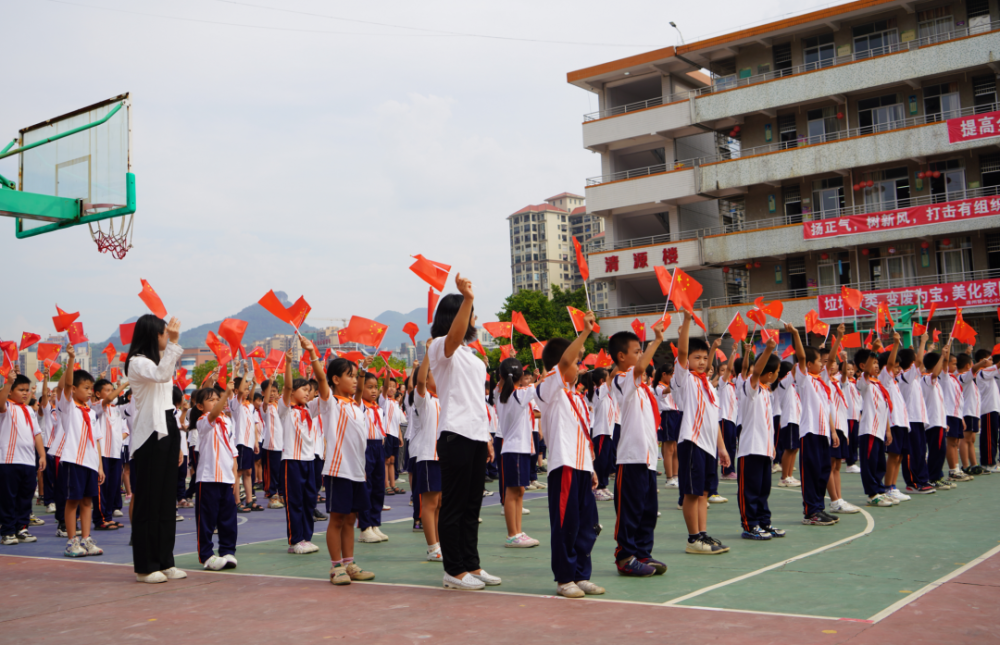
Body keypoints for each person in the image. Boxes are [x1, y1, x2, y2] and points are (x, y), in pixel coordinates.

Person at [427, 273, 499, 591]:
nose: (476, 319)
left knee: (473, 505)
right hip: (454, 434)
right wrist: (467, 298)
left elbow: (476, 400)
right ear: (457, 315)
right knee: (455, 504)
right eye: (471, 314)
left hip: (474, 434)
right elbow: (454, 338)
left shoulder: (470, 355)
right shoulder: (442, 347)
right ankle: (453, 570)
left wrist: (486, 437)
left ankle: (471, 563)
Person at [538, 311, 605, 598]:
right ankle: (564, 578)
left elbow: (582, 435)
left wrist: (591, 468)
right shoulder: (549, 390)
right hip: (563, 466)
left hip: (580, 466)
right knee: (565, 523)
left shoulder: (577, 397)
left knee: (586, 524)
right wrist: (585, 332)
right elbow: (565, 361)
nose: (578, 366)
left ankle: (581, 575)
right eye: (577, 362)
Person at [125, 313, 186, 584]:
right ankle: (145, 566)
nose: (167, 336)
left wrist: (178, 443)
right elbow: (162, 376)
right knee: (148, 502)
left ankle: (165, 561)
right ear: (153, 335)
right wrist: (174, 343)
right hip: (150, 434)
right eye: (164, 333)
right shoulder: (137, 363)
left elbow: (165, 381)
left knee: (165, 502)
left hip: (168, 427)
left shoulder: (159, 360)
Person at [610, 317, 669, 573]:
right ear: (622, 356)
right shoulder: (621, 380)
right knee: (630, 511)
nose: (641, 355)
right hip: (630, 458)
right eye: (637, 352)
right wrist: (656, 341)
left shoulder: (643, 388)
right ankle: (625, 557)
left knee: (648, 510)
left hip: (646, 460)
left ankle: (643, 553)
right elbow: (637, 370)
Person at [314, 353, 376, 586]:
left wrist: (361, 370)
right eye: (349, 376)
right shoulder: (331, 402)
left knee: (351, 518)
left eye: (355, 376)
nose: (354, 380)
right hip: (338, 470)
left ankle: (350, 564)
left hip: (357, 471)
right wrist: (311, 354)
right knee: (337, 518)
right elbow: (321, 380)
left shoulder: (356, 406)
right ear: (336, 379)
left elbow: (358, 391)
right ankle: (335, 567)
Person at [675, 312, 729, 555]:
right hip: (692, 443)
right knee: (691, 492)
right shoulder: (684, 380)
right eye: (696, 357)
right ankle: (692, 538)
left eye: (705, 358)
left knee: (704, 493)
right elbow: (683, 353)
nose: (700, 361)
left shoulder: (709, 386)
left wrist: (722, 448)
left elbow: (713, 420)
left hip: (709, 446)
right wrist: (687, 321)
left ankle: (703, 534)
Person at [55, 346, 105, 557]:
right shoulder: (67, 407)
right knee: (72, 501)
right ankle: (71, 541)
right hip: (73, 460)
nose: (89, 391)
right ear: (74, 389)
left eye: (91, 388)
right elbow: (66, 383)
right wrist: (71, 358)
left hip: (90, 462)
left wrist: (100, 465)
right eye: (85, 387)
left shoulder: (91, 413)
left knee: (87, 501)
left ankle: (86, 539)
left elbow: (96, 440)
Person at [736, 333, 783, 540]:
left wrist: (771, 446)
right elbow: (756, 372)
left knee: (764, 490)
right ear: (771, 374)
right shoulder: (750, 388)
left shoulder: (766, 392)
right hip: (750, 448)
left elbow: (767, 425)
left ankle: (764, 522)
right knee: (751, 490)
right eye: (778, 372)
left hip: (764, 449)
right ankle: (750, 525)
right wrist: (769, 350)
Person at [191, 385, 239, 570]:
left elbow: (233, 452)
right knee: (206, 519)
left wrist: (235, 479)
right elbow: (213, 415)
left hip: (226, 478)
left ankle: (228, 551)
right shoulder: (203, 421)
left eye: (217, 399)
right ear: (200, 406)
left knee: (228, 518)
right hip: (208, 477)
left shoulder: (227, 421)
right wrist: (226, 395)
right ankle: (206, 555)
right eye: (211, 400)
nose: (216, 402)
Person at [280, 342, 321, 554]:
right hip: (292, 460)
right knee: (294, 501)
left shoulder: (310, 409)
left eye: (309, 390)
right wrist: (288, 363)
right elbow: (286, 387)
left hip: (309, 460)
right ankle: (295, 540)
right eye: (303, 389)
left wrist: (314, 356)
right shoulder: (286, 408)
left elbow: (323, 391)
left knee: (308, 501)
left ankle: (307, 537)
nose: (307, 393)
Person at [496, 357, 540, 548]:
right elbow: (543, 384)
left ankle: (518, 532)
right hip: (513, 449)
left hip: (518, 448)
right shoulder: (518, 394)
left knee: (519, 491)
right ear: (521, 376)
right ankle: (511, 534)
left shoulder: (502, 393)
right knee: (512, 492)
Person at [0, 368, 46, 545]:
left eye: (27, 390)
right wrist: (8, 382)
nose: (26, 393)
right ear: (11, 391)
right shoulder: (6, 407)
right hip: (8, 460)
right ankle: (8, 531)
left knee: (25, 497)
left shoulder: (29, 411)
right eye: (21, 389)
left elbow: (37, 434)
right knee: (8, 498)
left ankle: (22, 528)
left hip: (28, 461)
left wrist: (41, 455)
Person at [411, 343, 443, 561]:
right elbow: (420, 380)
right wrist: (428, 356)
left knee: (440, 503)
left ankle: (440, 543)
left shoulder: (445, 400)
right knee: (430, 504)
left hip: (444, 458)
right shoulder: (424, 400)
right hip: (428, 457)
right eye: (435, 373)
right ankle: (433, 547)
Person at [855, 343, 894, 507]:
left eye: (878, 363)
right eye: (874, 363)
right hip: (869, 430)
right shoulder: (863, 382)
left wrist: (888, 430)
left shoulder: (878, 384)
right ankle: (872, 494)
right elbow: (866, 372)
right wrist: (874, 352)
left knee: (879, 463)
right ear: (864, 366)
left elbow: (883, 410)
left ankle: (879, 490)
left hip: (879, 431)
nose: (877, 366)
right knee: (869, 463)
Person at [91, 376, 128, 530]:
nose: (111, 393)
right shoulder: (97, 406)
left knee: (113, 487)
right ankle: (100, 520)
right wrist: (125, 384)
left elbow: (125, 431)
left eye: (112, 390)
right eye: (107, 390)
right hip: (102, 453)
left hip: (115, 453)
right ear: (98, 394)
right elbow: (110, 399)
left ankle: (108, 517)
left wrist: (117, 439)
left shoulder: (117, 410)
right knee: (102, 487)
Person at [358, 370, 388, 543]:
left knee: (378, 486)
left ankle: (375, 524)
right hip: (366, 446)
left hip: (378, 446)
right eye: (369, 388)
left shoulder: (378, 407)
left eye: (376, 387)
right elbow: (360, 391)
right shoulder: (360, 405)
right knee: (366, 487)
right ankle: (365, 526)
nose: (374, 391)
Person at [587, 367, 615, 500]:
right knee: (600, 461)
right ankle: (597, 488)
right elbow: (614, 376)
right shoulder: (600, 391)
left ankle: (603, 485)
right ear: (602, 380)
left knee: (608, 461)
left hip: (608, 432)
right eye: (608, 376)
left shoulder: (607, 393)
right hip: (601, 432)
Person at [260, 378, 284, 508]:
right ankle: (271, 496)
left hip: (283, 445)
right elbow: (264, 403)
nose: (273, 394)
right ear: (264, 393)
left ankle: (281, 494)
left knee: (281, 472)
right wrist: (270, 382)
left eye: (275, 391)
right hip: (271, 444)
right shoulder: (265, 407)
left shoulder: (281, 405)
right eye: (270, 391)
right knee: (272, 472)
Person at [974, 349, 1000, 473]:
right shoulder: (983, 372)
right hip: (989, 408)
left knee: (991, 436)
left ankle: (987, 462)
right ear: (981, 361)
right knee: (990, 437)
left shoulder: (988, 372)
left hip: (992, 408)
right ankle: (989, 463)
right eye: (989, 359)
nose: (991, 361)